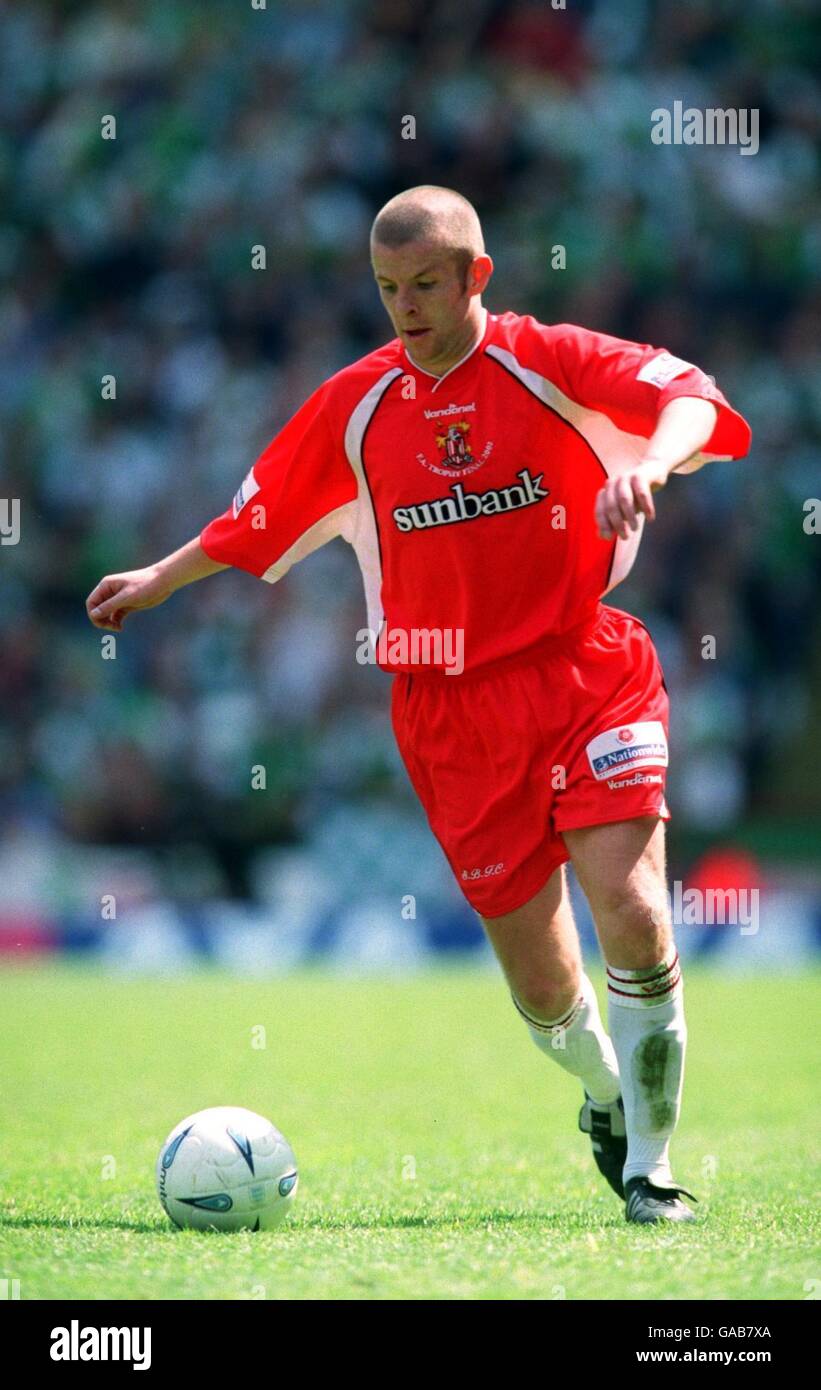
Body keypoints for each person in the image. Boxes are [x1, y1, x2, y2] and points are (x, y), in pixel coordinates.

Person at [86, 185, 751, 1224]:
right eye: (387, 287)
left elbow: (691, 398)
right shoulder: (355, 404)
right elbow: (252, 518)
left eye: (425, 285)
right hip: (448, 712)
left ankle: (651, 1172)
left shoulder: (547, 359)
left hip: (584, 669)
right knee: (541, 990)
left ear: (475, 275)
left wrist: (652, 468)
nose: (404, 305)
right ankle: (604, 1097)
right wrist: (154, 582)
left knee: (630, 906)